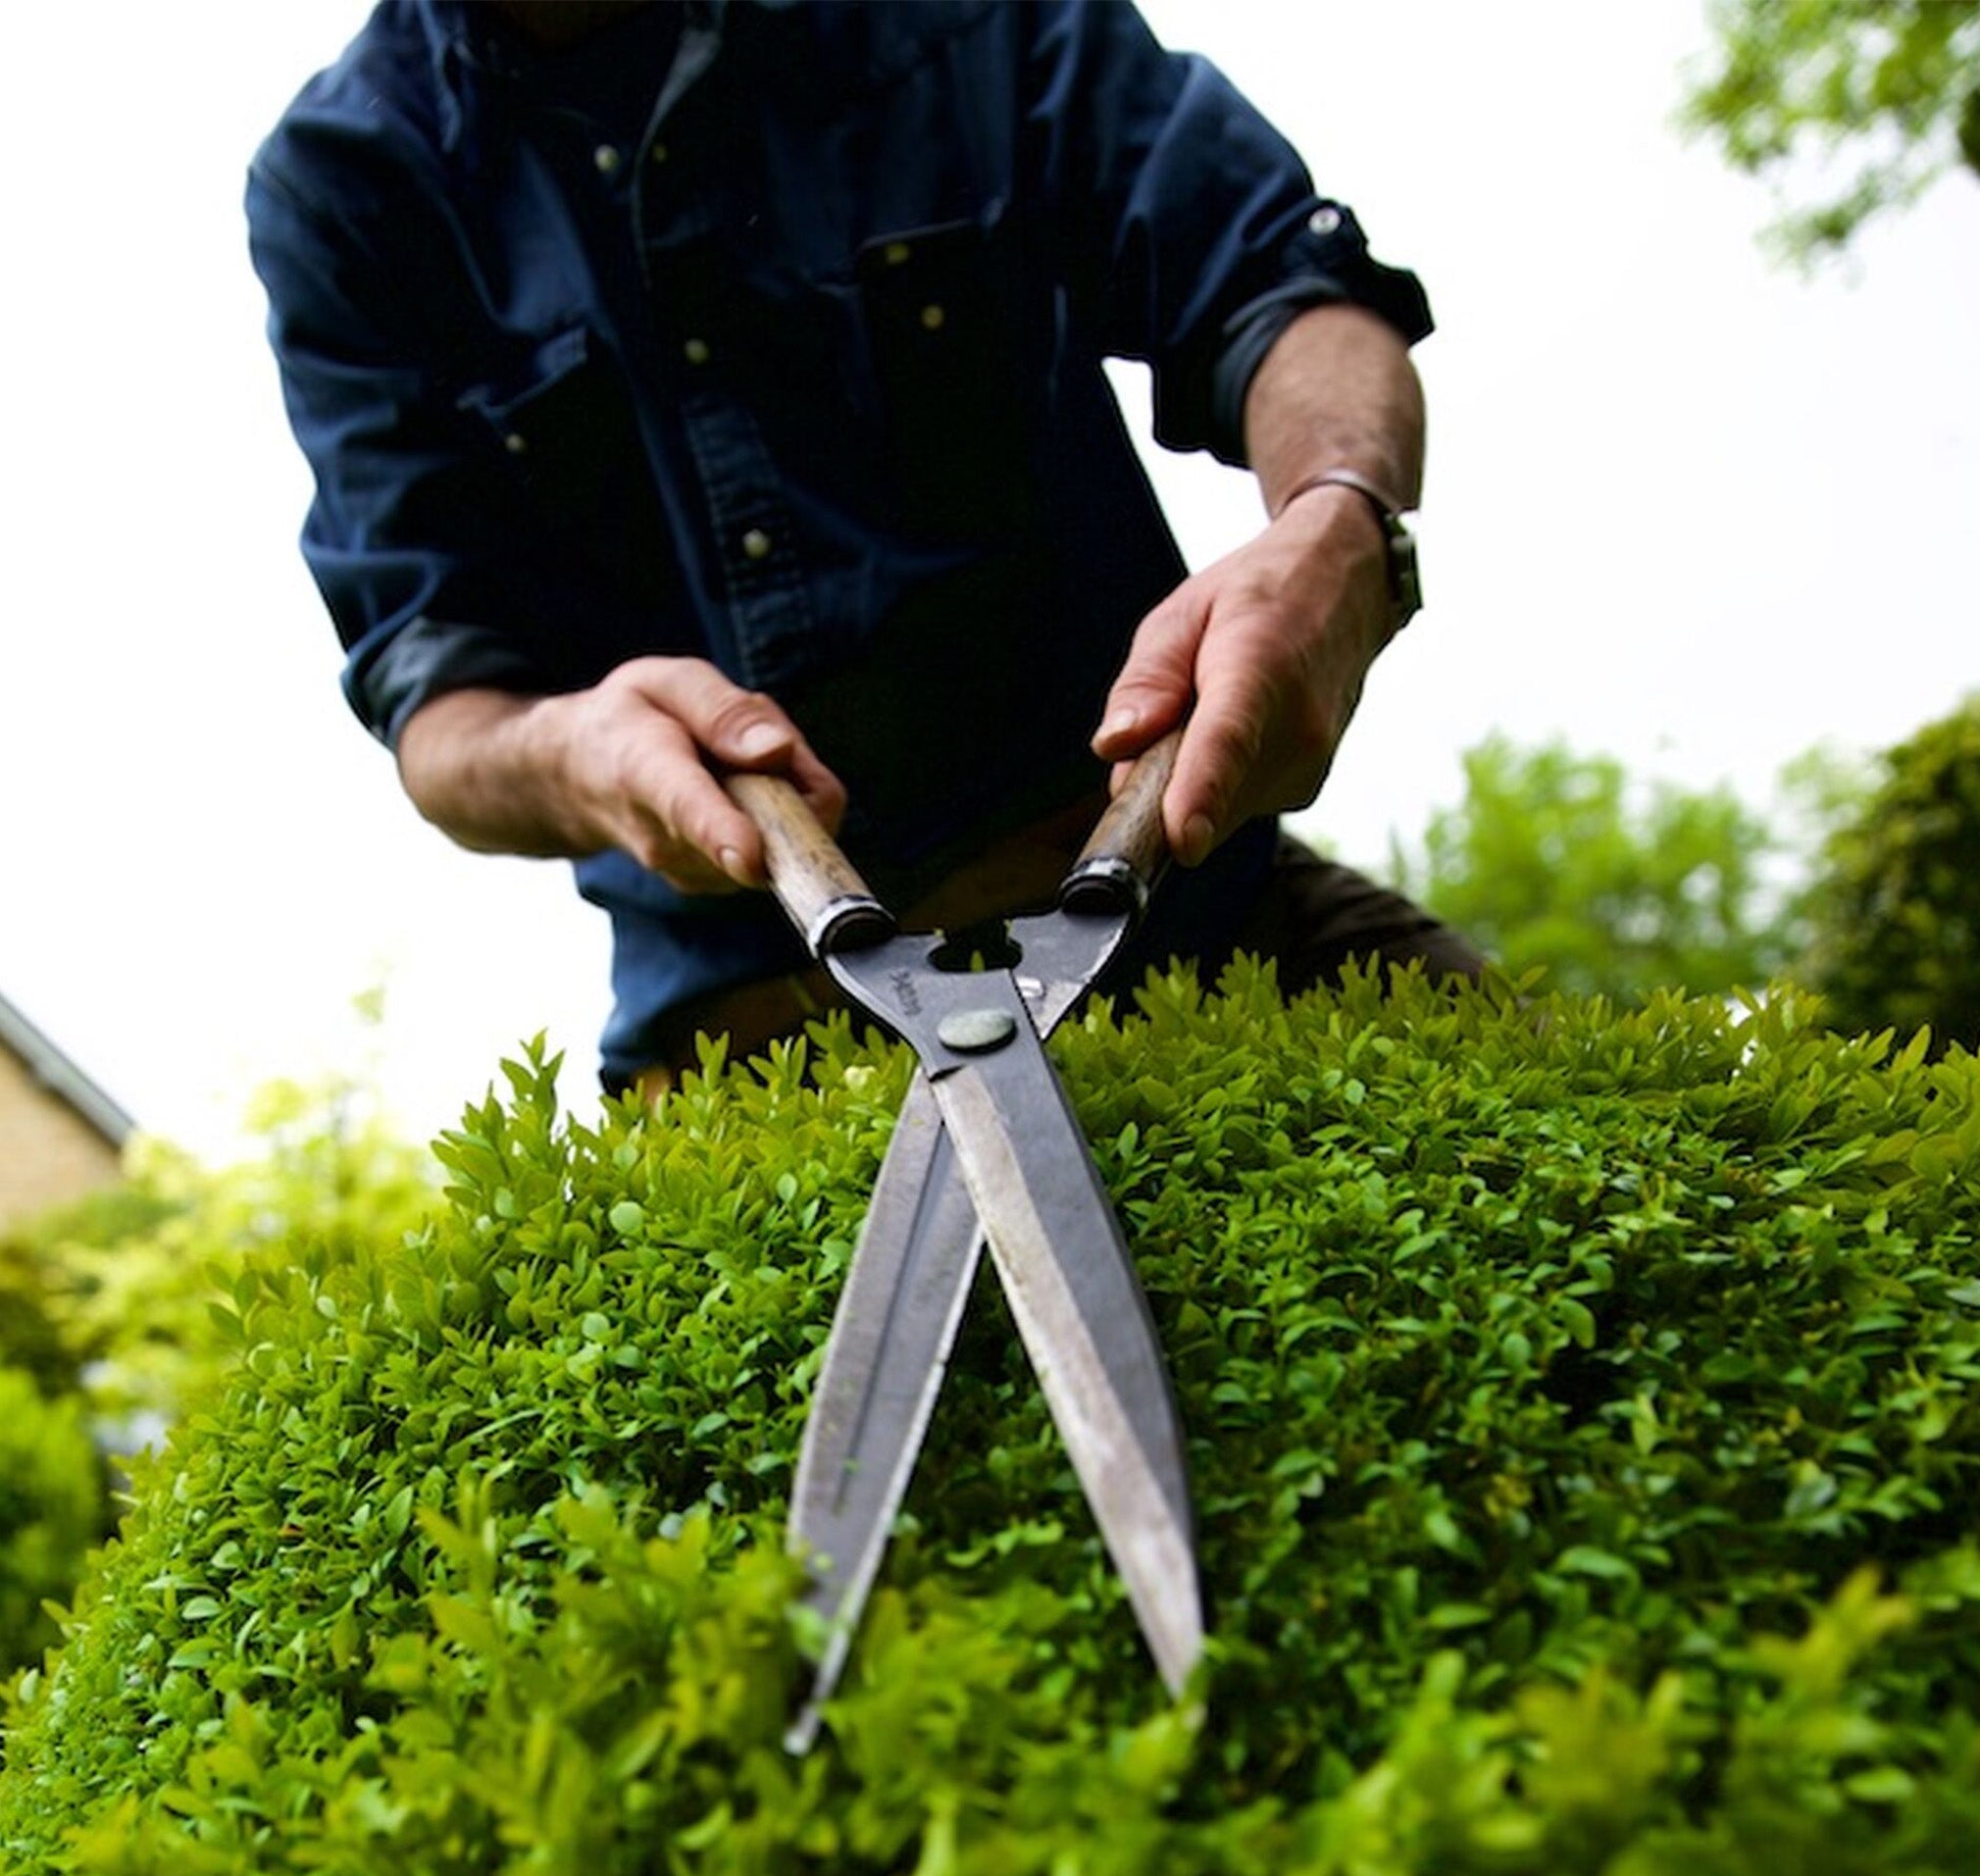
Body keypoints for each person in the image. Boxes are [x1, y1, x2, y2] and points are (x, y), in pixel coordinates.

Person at [247, 0, 1482, 1091]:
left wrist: (1337, 518)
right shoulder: (344, 187)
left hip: (1190, 922)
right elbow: (438, 703)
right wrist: (576, 750)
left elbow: (1278, 281)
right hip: (751, 1042)